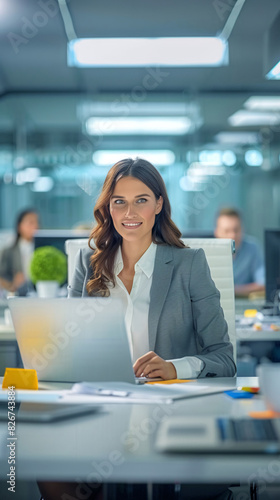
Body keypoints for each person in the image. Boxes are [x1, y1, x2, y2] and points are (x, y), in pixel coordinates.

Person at [39, 158, 235, 500]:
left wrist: (175, 367)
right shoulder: (87, 265)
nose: (130, 211)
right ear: (108, 209)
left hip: (168, 412)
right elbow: (67, 352)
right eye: (120, 201)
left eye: (141, 199)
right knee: (48, 470)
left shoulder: (189, 265)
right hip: (100, 410)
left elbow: (223, 358)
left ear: (158, 204)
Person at [214, 207, 265, 297]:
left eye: (236, 230)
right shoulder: (207, 251)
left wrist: (231, 290)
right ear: (217, 232)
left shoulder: (252, 248)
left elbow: (262, 284)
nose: (232, 235)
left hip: (245, 305)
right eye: (227, 231)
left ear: (243, 229)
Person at [0, 208, 39, 293]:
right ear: (20, 226)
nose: (35, 226)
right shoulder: (8, 251)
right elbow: (2, 276)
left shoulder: (42, 250)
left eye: (37, 222)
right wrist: (12, 284)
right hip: (16, 294)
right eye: (30, 223)